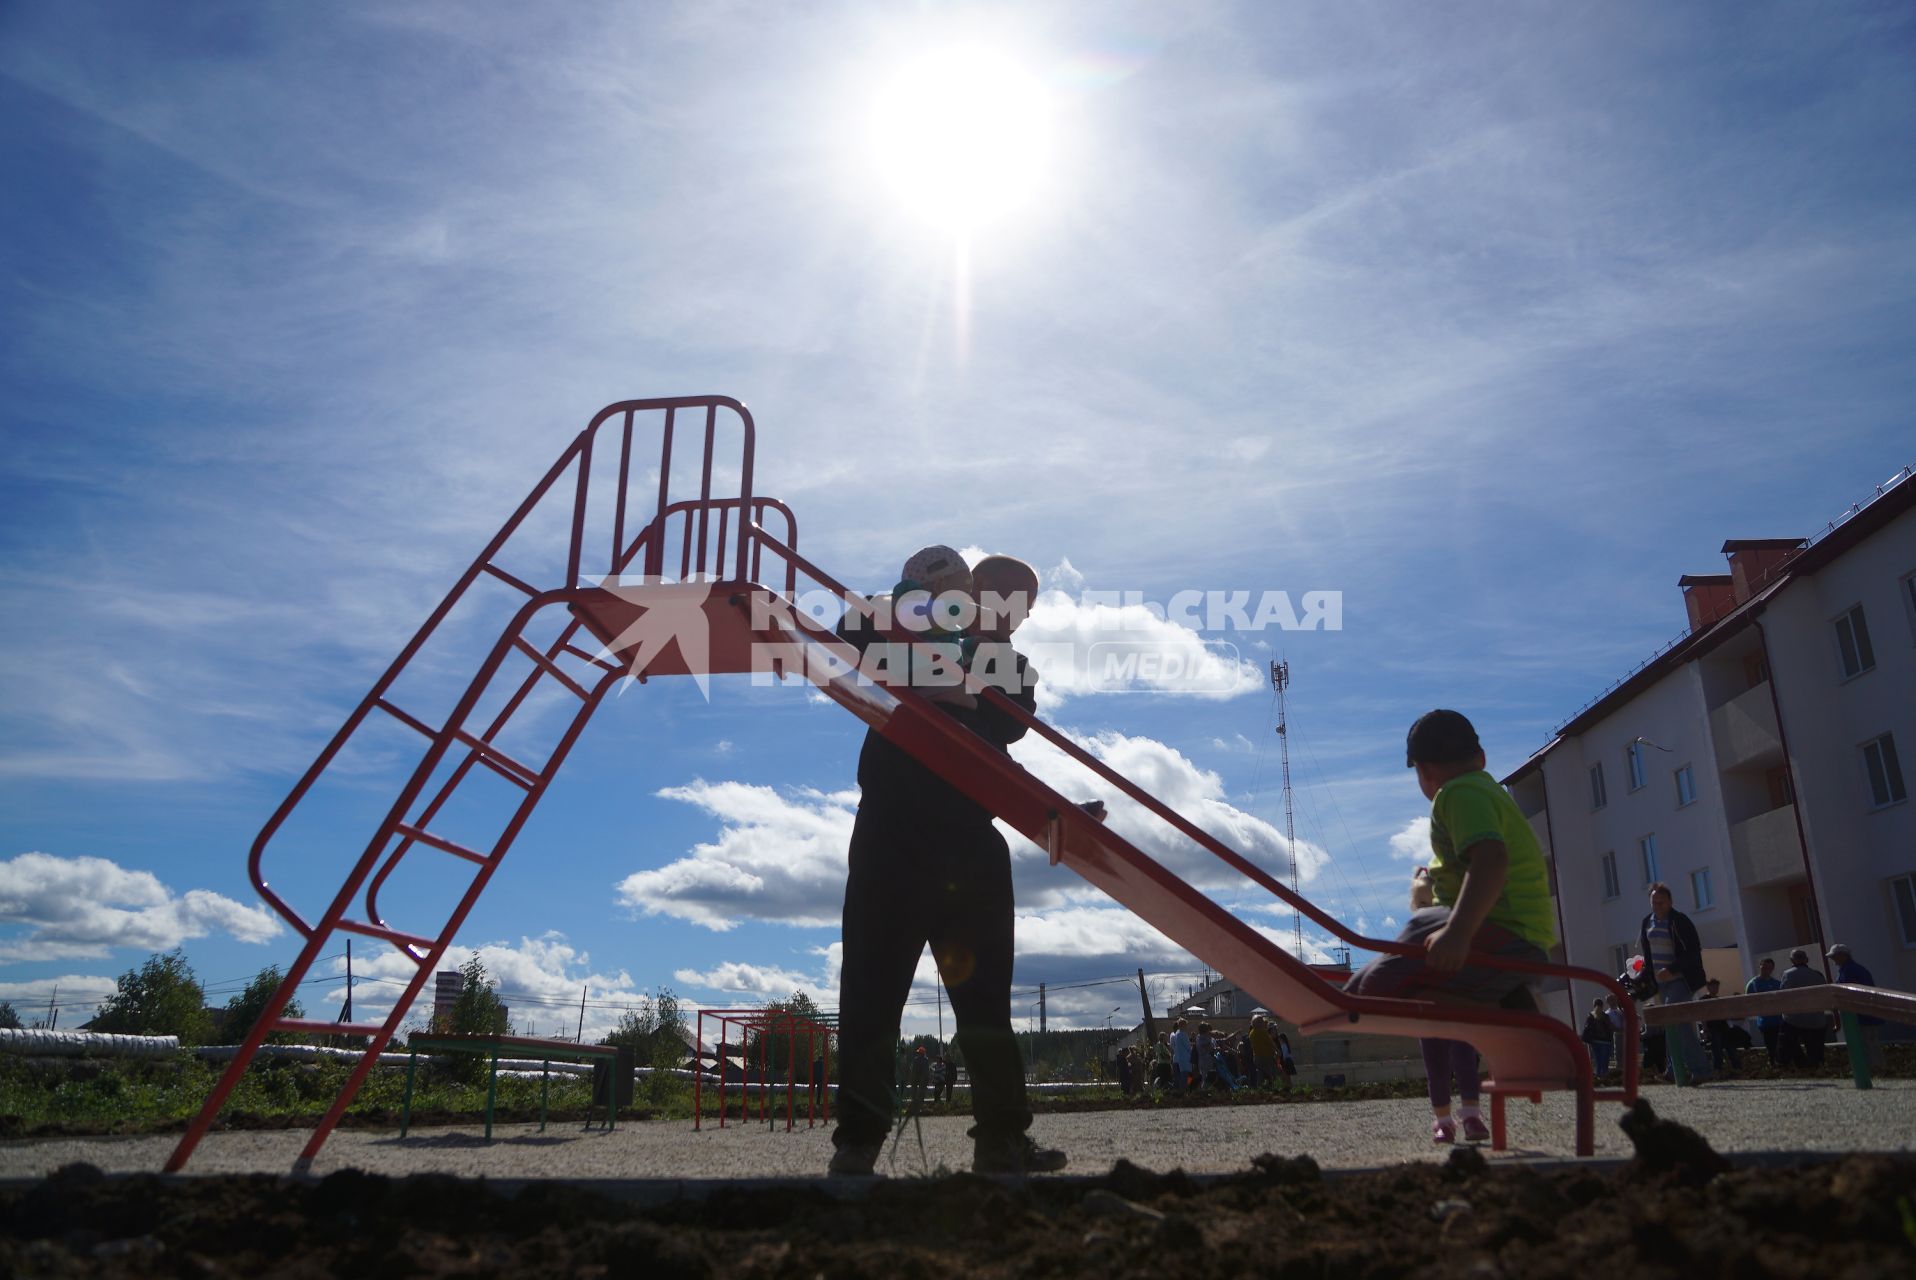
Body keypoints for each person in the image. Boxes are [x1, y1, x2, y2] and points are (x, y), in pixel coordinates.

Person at [828, 548, 1065, 1177]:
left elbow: (1005, 725)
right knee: (870, 996)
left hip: (968, 842)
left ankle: (1002, 1140)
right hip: (889, 837)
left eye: (1024, 603)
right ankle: (858, 1140)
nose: (1011, 610)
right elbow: (846, 633)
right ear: (968, 586)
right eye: (1000, 591)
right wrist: (914, 594)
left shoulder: (1011, 666)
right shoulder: (903, 622)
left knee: (985, 1004)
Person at [1347, 711, 1557, 1144]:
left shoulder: (1455, 794)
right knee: (1423, 942)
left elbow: (1492, 861)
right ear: (1480, 756)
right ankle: (1497, 1000)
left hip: (1501, 933)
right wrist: (1431, 886)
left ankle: (1357, 991)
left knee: (1402, 952)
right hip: (1521, 940)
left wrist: (1458, 932)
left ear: (1422, 772)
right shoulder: (1485, 790)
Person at [1637, 882, 1713, 1085]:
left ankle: (1699, 1068)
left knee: (1677, 1020)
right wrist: (1646, 975)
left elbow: (1693, 952)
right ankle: (1674, 1070)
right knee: (1670, 1024)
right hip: (1660, 982)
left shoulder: (1680, 921)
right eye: (1654, 903)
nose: (1657, 906)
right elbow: (1648, 953)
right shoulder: (1647, 922)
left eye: (1661, 903)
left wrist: (1672, 970)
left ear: (1670, 902)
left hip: (1680, 979)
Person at [1827, 943, 1884, 1072]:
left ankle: (1874, 1069)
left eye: (1834, 957)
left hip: (1862, 1016)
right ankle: (1876, 1068)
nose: (1833, 960)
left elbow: (1849, 993)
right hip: (1864, 1015)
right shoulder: (1853, 969)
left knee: (1867, 1044)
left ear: (1843, 956)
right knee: (1870, 1043)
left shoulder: (1849, 971)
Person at [1777, 948, 1828, 1069]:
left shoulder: (1788, 974)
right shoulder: (1818, 975)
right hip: (1816, 1019)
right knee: (1815, 1049)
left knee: (1786, 1043)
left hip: (1794, 1019)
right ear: (1807, 960)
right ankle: (1817, 1067)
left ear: (1791, 960)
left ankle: (1791, 1065)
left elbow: (1783, 994)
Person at [1744, 957, 1783, 1067]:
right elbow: (1749, 1002)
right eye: (1764, 967)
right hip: (1765, 1021)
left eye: (1769, 968)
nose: (1766, 970)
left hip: (1779, 1020)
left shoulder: (1777, 983)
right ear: (1760, 966)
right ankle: (1773, 1064)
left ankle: (1782, 1064)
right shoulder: (1753, 984)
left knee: (1781, 1044)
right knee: (1771, 1045)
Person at [1580, 997, 1614, 1078]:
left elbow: (1587, 1027)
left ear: (1594, 1005)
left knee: (1598, 1059)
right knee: (1605, 1060)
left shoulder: (1591, 1015)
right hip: (1606, 1041)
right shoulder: (1605, 1016)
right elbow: (1610, 1028)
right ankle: (1605, 1074)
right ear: (1602, 1005)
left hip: (1595, 1041)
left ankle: (1598, 1075)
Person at [1248, 1015, 1279, 1088]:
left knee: (1260, 1074)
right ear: (1258, 1023)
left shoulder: (1251, 1033)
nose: (1263, 1022)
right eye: (1261, 1021)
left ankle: (1260, 1089)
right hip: (1267, 1057)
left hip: (1257, 1057)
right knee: (1271, 1074)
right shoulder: (1262, 1031)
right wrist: (1277, 1051)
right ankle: (1273, 1088)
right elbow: (1270, 1042)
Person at [1170, 1018, 1193, 1093]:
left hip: (1180, 1057)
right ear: (1182, 1025)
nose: (1186, 1027)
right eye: (1185, 1025)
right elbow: (1188, 1046)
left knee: (1183, 1075)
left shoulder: (1177, 1033)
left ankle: (1184, 1089)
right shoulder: (1183, 1034)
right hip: (1185, 1057)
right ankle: (1185, 1089)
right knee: (1187, 1075)